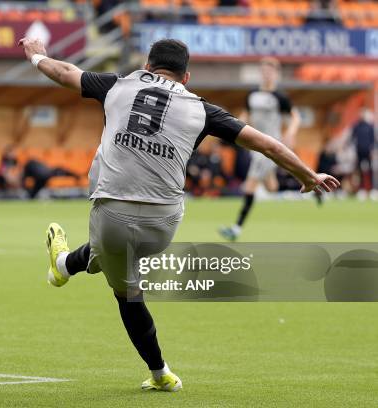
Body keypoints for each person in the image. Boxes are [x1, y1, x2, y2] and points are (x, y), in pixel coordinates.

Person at [18, 37, 339, 392]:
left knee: (124, 284)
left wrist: (36, 57)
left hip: (111, 214)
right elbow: (266, 143)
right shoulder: (202, 108)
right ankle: (63, 266)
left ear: (146, 66)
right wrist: (308, 176)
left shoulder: (119, 85)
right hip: (164, 224)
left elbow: (65, 73)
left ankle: (160, 373)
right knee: (117, 253)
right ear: (186, 77)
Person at [219, 57, 301, 241]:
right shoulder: (253, 94)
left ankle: (236, 228)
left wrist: (291, 132)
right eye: (264, 71)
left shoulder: (280, 96)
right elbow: (246, 115)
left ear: (276, 74)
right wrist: (234, 126)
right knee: (271, 187)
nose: (266, 74)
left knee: (250, 185)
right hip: (255, 145)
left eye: (270, 71)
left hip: (270, 146)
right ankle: (301, 191)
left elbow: (295, 117)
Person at [350, 108, 375, 197]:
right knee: (359, 171)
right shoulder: (356, 126)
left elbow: (373, 140)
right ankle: (361, 190)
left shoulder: (370, 126)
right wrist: (352, 151)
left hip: (368, 152)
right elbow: (352, 139)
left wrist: (373, 151)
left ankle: (372, 190)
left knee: (370, 171)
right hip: (358, 152)